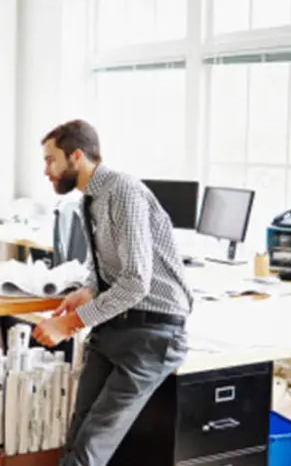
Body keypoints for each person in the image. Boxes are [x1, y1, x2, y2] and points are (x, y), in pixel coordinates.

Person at [31, 119, 193, 466]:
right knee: (76, 437)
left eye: (50, 160)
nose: (46, 170)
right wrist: (88, 290)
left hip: (153, 332)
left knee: (89, 449)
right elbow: (102, 264)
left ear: (76, 156)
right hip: (117, 325)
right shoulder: (89, 200)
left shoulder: (123, 191)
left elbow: (136, 282)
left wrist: (70, 324)